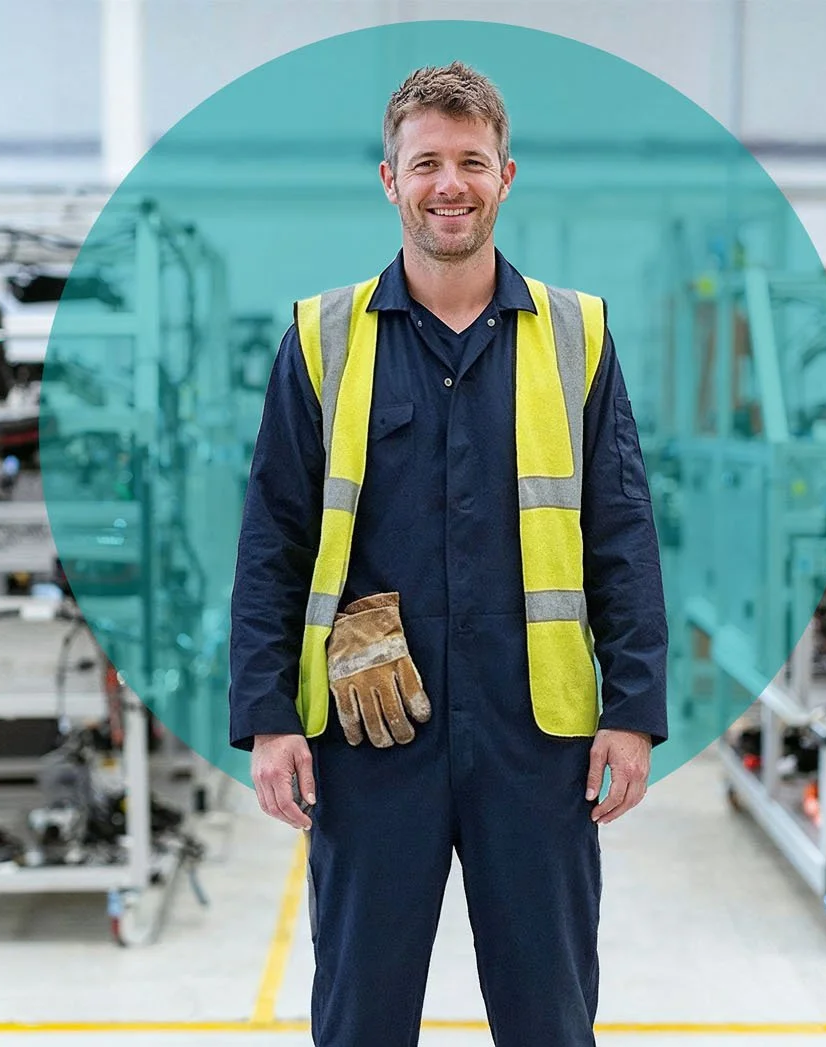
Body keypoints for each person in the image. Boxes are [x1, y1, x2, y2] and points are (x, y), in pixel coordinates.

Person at [227, 60, 668, 1047]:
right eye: (424, 162)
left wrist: (633, 710)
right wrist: (266, 716)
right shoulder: (320, 338)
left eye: (469, 161)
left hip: (535, 736)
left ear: (505, 174)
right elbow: (272, 540)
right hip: (367, 730)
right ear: (389, 180)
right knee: (359, 1013)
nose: (448, 184)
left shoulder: (575, 335)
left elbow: (620, 531)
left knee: (549, 1012)